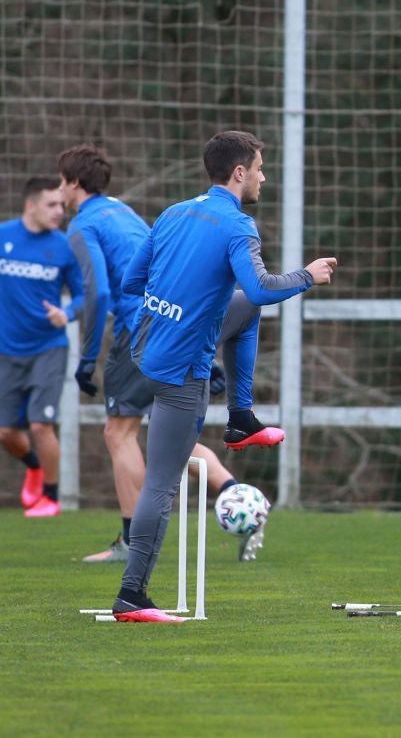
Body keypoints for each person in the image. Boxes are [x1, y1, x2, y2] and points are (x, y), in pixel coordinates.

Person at [109, 130, 336, 622]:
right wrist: (308, 275)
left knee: (243, 311)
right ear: (239, 173)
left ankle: (240, 418)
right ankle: (132, 595)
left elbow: (131, 282)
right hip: (180, 371)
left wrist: (178, 300)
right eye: (259, 167)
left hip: (147, 348)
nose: (263, 176)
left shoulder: (173, 212)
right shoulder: (238, 226)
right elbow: (261, 286)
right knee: (161, 485)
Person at [58, 144, 271, 562]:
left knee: (119, 433)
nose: (59, 193)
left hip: (143, 331)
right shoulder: (121, 210)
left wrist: (86, 360)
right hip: (180, 325)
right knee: (169, 438)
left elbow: (100, 291)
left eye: (60, 184)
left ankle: (131, 542)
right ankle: (239, 497)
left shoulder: (83, 224)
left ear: (74, 184)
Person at [1, 176, 85, 517]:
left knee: (40, 425)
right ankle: (34, 467)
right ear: (31, 205)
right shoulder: (3, 236)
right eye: (51, 205)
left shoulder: (64, 246)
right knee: (6, 432)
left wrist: (65, 314)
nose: (59, 212)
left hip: (49, 348)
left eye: (62, 206)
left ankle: (51, 497)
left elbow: (84, 297)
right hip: (7, 351)